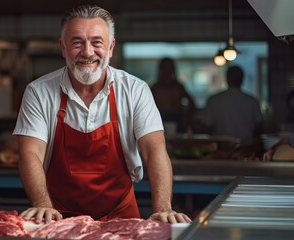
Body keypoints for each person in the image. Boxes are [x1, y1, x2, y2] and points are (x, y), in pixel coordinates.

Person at [13, 4, 191, 224]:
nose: (88, 52)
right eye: (77, 42)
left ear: (110, 48)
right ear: (63, 48)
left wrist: (163, 208)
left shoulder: (135, 90)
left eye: (97, 42)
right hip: (58, 217)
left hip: (120, 216)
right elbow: (30, 154)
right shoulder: (38, 92)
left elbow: (154, 150)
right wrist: (42, 205)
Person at [203, 65, 263, 145]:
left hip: (221, 147)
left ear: (227, 79)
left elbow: (207, 126)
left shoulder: (214, 100)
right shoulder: (252, 101)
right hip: (246, 146)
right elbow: (259, 126)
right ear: (242, 79)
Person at [151, 58, 196, 134]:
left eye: (169, 67)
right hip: (159, 118)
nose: (167, 70)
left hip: (177, 118)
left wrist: (187, 117)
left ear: (173, 69)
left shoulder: (179, 87)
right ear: (161, 69)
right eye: (165, 67)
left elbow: (192, 103)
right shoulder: (155, 88)